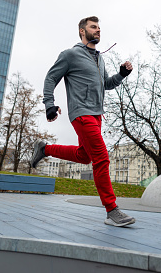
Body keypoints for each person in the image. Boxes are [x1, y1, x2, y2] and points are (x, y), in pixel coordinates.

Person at [30, 16, 136, 227]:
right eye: (93, 27)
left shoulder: (99, 58)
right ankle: (111, 210)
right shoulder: (70, 55)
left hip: (97, 114)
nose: (98, 31)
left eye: (99, 28)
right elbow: (51, 78)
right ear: (82, 31)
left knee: (84, 155)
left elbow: (106, 83)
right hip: (81, 113)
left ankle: (45, 149)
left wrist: (122, 75)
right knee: (101, 158)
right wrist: (49, 104)